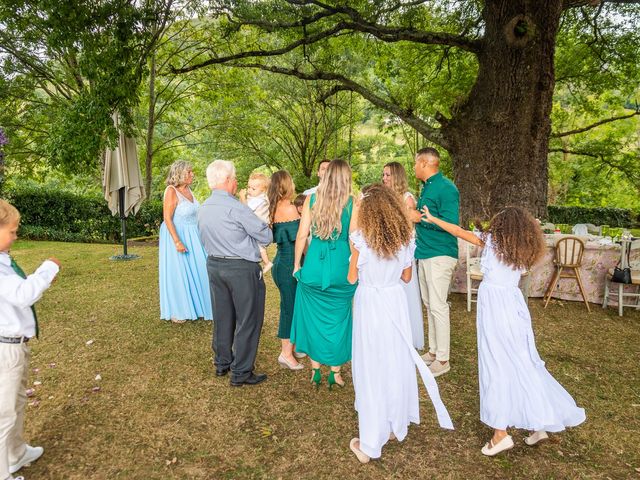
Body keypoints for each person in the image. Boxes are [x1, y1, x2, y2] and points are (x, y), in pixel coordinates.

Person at [422, 205, 586, 456]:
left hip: (496, 310)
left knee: (496, 364)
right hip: (515, 307)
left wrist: (433, 218)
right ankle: (537, 424)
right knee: (523, 362)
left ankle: (500, 434)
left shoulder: (491, 241)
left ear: (501, 226)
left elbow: (457, 230)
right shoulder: (522, 250)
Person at [347, 185, 453, 464]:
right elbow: (407, 278)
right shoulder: (404, 238)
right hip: (394, 302)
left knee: (372, 365)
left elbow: (350, 278)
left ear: (367, 211)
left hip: (371, 303)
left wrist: (354, 230)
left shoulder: (362, 240)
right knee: (395, 362)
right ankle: (395, 424)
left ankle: (370, 442)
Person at [197, 160, 273, 387]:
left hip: (214, 265)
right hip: (240, 268)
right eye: (235, 178)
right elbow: (266, 237)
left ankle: (222, 362)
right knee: (248, 318)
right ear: (228, 181)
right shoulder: (237, 208)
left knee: (222, 316)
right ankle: (240, 372)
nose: (237, 182)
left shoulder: (203, 208)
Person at [0, 199, 61, 480]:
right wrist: (48, 269)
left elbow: (20, 290)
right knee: (5, 414)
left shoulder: (4, 261)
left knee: (17, 401)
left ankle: (16, 453)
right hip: (6, 348)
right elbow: (23, 295)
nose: (15, 236)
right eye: (12, 232)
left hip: (16, 345)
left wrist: (41, 279)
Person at [291, 160, 357, 388]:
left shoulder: (312, 199)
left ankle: (316, 370)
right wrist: (354, 271)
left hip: (314, 266)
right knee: (339, 320)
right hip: (340, 266)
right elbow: (354, 240)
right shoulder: (352, 203)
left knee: (313, 319)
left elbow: (301, 235)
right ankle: (335, 373)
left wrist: (296, 265)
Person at [409, 147, 459, 377]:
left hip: (440, 254)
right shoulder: (427, 187)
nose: (413, 167)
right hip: (425, 252)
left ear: (425, 163)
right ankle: (433, 350)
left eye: (415, 163)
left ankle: (443, 358)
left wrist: (421, 219)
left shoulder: (446, 188)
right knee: (429, 303)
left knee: (439, 306)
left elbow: (451, 224)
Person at [159, 161, 213, 323]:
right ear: (179, 173)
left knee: (200, 268)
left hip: (194, 235)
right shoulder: (171, 191)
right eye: (189, 172)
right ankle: (179, 309)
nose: (192, 175)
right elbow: (167, 218)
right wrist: (177, 241)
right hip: (177, 234)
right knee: (179, 272)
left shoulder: (189, 190)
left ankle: (201, 306)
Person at [382, 161, 424, 350]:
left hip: (402, 249)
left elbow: (411, 225)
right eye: (383, 175)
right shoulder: (383, 197)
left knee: (404, 289)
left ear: (397, 176)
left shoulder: (407, 198)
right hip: (385, 251)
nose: (384, 178)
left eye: (388, 175)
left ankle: (406, 335)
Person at [267, 170, 305, 371]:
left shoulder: (272, 207)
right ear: (286, 186)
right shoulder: (290, 209)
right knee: (289, 308)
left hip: (282, 262)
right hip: (290, 265)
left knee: (294, 305)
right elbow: (301, 239)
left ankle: (295, 344)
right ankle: (285, 353)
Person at [240, 172, 273, 273]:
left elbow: (247, 212)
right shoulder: (255, 198)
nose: (249, 190)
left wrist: (242, 198)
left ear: (263, 190)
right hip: (257, 226)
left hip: (259, 227)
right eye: (249, 187)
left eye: (253, 189)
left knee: (259, 246)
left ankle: (267, 262)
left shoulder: (259, 200)